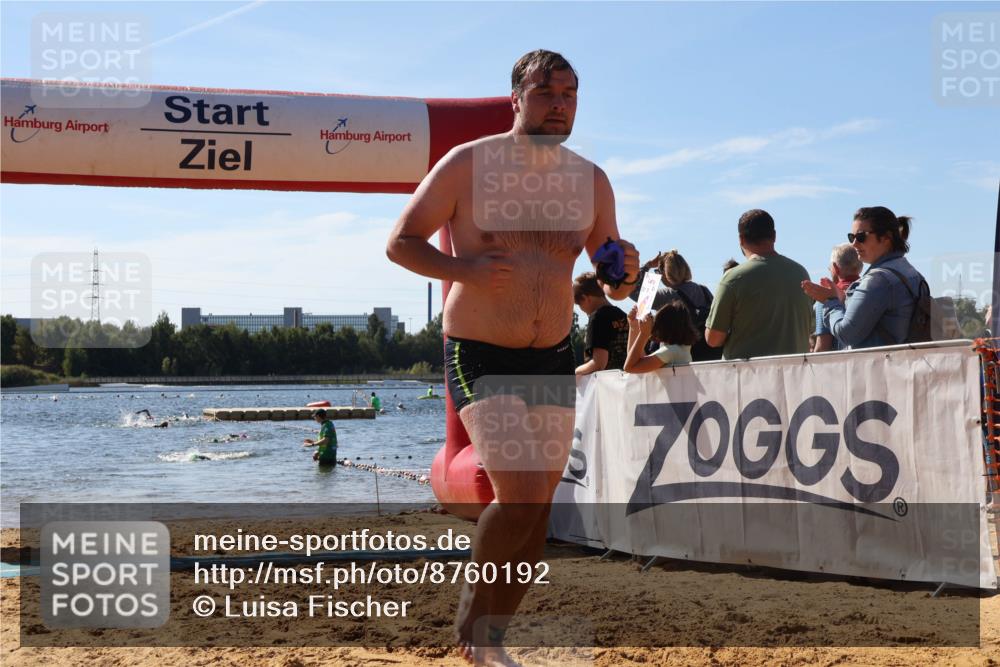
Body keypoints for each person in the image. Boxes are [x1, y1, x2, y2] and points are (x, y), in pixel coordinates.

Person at [385, 49, 639, 666]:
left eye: (570, 94)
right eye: (547, 92)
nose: (560, 104)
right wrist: (462, 268)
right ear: (517, 98)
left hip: (551, 353)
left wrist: (623, 270)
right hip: (479, 351)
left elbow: (611, 281)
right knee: (520, 492)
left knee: (537, 509)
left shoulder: (589, 180)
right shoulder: (468, 165)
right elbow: (400, 243)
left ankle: (491, 637)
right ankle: (474, 625)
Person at [802, 206, 923, 349]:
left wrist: (830, 301)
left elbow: (846, 334)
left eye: (861, 237)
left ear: (886, 238)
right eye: (851, 237)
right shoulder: (910, 272)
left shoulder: (878, 280)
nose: (854, 244)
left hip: (876, 368)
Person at [705, 209, 812, 359]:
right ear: (774, 236)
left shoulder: (733, 278)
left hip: (748, 378)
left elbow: (713, 339)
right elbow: (809, 327)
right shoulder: (801, 273)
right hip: (796, 375)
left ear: (741, 239)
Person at [627, 249, 720, 361]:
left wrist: (648, 266)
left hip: (676, 359)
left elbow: (631, 290)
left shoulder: (667, 295)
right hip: (708, 354)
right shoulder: (704, 290)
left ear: (665, 274)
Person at [573, 271, 628, 375]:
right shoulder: (624, 316)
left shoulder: (597, 318)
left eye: (578, 303)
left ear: (585, 298)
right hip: (629, 382)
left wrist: (575, 372)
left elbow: (598, 364)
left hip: (607, 386)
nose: (581, 309)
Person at [811, 243, 862, 352]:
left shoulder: (825, 297)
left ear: (835, 268)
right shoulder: (866, 291)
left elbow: (822, 347)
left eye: (830, 267)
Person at [623, 301, 697, 373]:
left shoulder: (671, 351)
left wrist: (644, 334)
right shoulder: (679, 349)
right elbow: (635, 359)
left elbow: (629, 367)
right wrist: (633, 327)